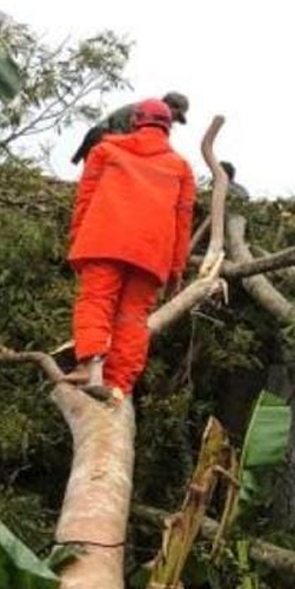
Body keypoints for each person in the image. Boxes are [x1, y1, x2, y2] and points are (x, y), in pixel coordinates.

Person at [63, 99, 196, 404]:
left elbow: (84, 201)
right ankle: (118, 385)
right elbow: (182, 223)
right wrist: (176, 270)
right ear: (168, 127)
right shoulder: (181, 168)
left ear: (137, 121)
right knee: (133, 318)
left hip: (103, 241)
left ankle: (89, 367)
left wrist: (78, 240)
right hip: (151, 255)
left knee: (96, 301)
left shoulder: (105, 151)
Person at [70, 91, 189, 165]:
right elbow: (129, 143)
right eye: (176, 116)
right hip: (101, 138)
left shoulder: (154, 117)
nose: (175, 121)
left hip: (109, 141)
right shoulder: (144, 112)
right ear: (168, 106)